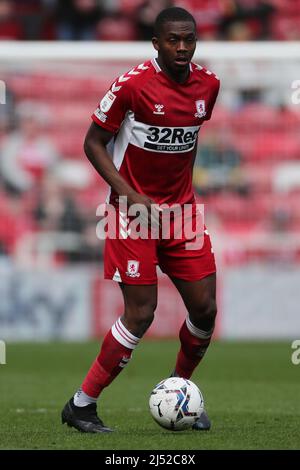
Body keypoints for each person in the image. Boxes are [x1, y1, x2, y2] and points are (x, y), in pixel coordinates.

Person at [61, 6, 220, 433]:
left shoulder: (209, 85)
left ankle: (181, 391)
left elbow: (184, 144)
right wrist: (129, 194)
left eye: (189, 38)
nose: (182, 47)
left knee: (204, 310)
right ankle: (81, 405)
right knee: (142, 313)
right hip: (130, 214)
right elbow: (92, 142)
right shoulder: (132, 86)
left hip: (182, 214)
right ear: (156, 43)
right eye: (173, 39)